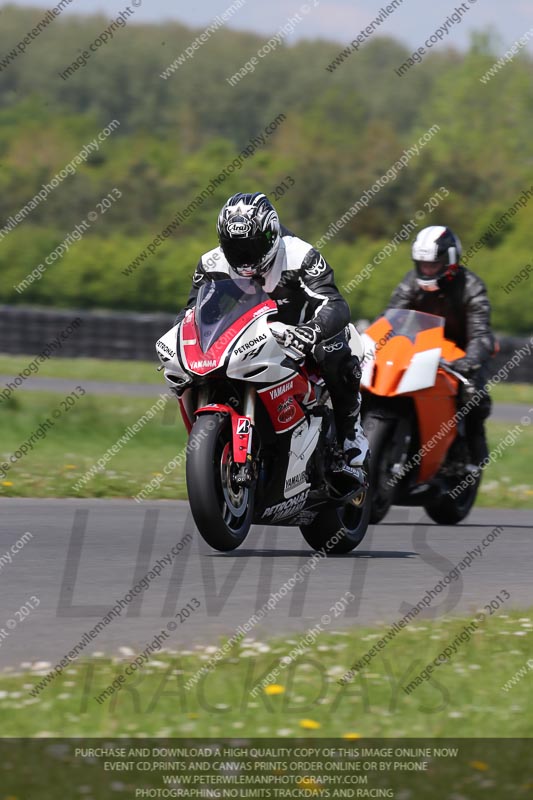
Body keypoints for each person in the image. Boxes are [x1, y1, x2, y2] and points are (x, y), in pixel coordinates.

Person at [175, 191, 369, 467]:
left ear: (270, 236)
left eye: (251, 247)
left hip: (299, 334)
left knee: (334, 349)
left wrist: (311, 331)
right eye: (235, 247)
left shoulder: (300, 256)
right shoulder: (210, 263)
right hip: (244, 338)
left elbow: (334, 303)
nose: (244, 257)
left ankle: (352, 434)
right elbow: (191, 313)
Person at [386, 225, 495, 470]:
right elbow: (391, 318)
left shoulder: (472, 287)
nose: (427, 270)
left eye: (433, 265)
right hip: (421, 350)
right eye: (422, 264)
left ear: (450, 262)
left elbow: (481, 334)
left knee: (472, 393)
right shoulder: (411, 282)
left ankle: (471, 452)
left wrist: (469, 362)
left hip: (462, 352)